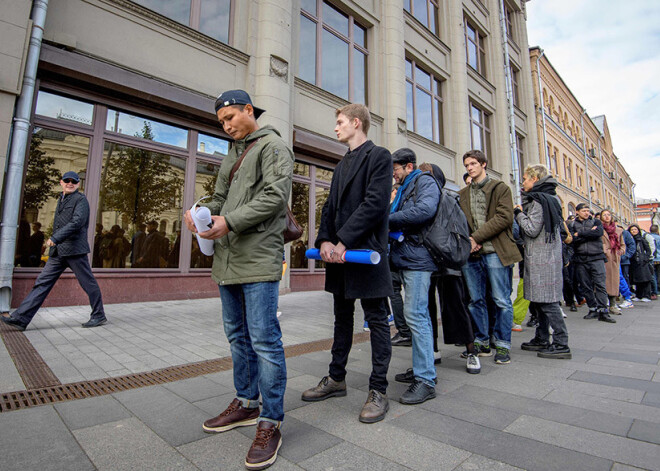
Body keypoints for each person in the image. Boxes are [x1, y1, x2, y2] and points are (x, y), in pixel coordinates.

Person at [183, 89, 293, 470]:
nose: (226, 125)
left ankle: (271, 421)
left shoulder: (274, 146)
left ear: (249, 110)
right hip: (228, 260)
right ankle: (246, 403)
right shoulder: (232, 152)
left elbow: (275, 199)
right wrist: (201, 210)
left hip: (258, 258)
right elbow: (220, 196)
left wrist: (228, 220)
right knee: (237, 335)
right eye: (221, 121)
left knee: (264, 339)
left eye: (231, 117)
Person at [301, 103, 393, 423]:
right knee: (341, 317)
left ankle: (378, 389)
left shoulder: (379, 156)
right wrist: (324, 240)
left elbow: (375, 205)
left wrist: (344, 241)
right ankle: (336, 378)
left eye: (340, 122)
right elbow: (329, 208)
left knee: (377, 320)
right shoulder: (341, 164)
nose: (336, 127)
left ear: (357, 123)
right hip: (340, 256)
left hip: (364, 253)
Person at [2, 171, 107, 331]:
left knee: (88, 283)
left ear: (78, 184)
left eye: (74, 181)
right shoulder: (62, 199)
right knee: (42, 283)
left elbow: (77, 222)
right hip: (58, 253)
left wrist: (55, 238)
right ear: (61, 182)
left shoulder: (81, 200)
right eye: (67, 180)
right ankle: (21, 319)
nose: (70, 183)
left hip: (74, 251)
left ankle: (99, 315)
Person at [459, 150, 521, 365]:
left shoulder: (500, 188)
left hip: (495, 251)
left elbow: (504, 217)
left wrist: (475, 237)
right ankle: (482, 341)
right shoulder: (462, 194)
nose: (469, 167)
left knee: (501, 300)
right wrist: (469, 241)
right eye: (467, 164)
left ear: (484, 164)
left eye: (473, 163)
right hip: (472, 254)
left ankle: (503, 345)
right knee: (476, 301)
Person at [386, 149, 438, 404]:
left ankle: (426, 380)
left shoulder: (425, 181)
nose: (393, 174)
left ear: (408, 166)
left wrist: (387, 219)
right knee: (415, 315)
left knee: (417, 315)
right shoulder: (406, 186)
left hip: (418, 259)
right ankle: (422, 369)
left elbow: (424, 211)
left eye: (396, 169)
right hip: (406, 256)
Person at [419, 162, 480, 374]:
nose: (422, 177)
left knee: (456, 305)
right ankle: (432, 349)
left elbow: (461, 227)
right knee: (426, 308)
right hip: (424, 259)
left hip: (447, 259)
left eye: (426, 174)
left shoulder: (449, 198)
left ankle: (471, 351)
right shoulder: (418, 197)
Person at [515, 165, 571, 359]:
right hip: (545, 257)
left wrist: (518, 213)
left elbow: (531, 229)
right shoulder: (549, 198)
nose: (523, 182)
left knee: (548, 303)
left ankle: (561, 343)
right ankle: (541, 338)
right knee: (540, 302)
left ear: (535, 178)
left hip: (542, 259)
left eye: (525, 178)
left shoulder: (540, 201)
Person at [571, 203, 615, 323]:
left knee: (600, 284)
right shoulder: (572, 224)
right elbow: (572, 240)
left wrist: (580, 234)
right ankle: (593, 308)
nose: (586, 213)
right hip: (580, 259)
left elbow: (598, 233)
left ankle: (603, 311)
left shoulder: (596, 222)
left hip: (597, 258)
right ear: (577, 212)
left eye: (588, 211)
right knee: (585, 286)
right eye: (584, 211)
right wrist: (588, 233)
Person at [600, 210, 625, 315]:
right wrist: (605, 250)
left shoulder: (618, 230)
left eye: (608, 215)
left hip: (615, 258)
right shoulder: (599, 229)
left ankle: (613, 304)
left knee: (614, 281)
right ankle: (603, 304)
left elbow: (623, 244)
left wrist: (621, 251)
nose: (607, 217)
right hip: (604, 258)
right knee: (603, 280)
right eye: (604, 215)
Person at [627, 224, 653, 302]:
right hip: (634, 262)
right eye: (632, 230)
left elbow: (648, 250)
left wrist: (646, 258)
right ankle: (639, 295)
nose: (633, 231)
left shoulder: (642, 239)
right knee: (637, 280)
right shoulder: (630, 240)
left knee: (645, 279)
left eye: (635, 229)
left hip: (642, 262)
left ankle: (647, 295)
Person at [649, 225, 660, 299]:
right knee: (659, 275)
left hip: (651, 258)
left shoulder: (648, 237)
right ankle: (658, 289)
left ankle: (655, 290)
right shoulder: (659, 238)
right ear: (657, 230)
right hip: (659, 258)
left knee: (653, 275)